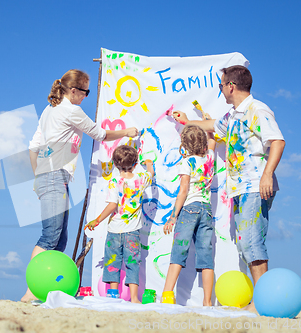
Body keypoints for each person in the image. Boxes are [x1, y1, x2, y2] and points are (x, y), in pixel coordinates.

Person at [169, 65, 285, 310]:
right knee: (245, 243)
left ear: (231, 86)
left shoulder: (257, 109)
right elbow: (213, 126)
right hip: (240, 189)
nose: (221, 89)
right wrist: (188, 121)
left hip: (255, 186)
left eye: (221, 85)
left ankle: (262, 302)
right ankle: (260, 299)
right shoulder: (233, 115)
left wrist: (267, 175)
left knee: (252, 241)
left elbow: (277, 141)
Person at [22, 69, 139, 302]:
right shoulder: (70, 111)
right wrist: (126, 132)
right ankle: (31, 292)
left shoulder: (49, 111)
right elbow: (100, 134)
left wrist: (38, 178)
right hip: (54, 175)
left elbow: (32, 148)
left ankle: (46, 289)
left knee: (60, 238)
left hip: (52, 176)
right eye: (85, 91)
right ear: (74, 91)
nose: (86, 96)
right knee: (50, 236)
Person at [85, 145, 154, 303]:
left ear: (115, 165)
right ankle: (135, 298)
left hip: (115, 230)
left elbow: (112, 205)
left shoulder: (115, 181)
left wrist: (96, 220)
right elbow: (151, 174)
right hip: (133, 232)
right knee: (132, 263)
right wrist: (149, 164)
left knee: (112, 261)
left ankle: (113, 295)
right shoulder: (141, 179)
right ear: (135, 164)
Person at [162, 125, 216, 306]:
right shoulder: (210, 158)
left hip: (189, 209)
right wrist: (207, 121)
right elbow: (213, 141)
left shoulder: (187, 162)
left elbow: (183, 191)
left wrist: (172, 216)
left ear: (185, 143)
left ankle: (167, 296)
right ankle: (207, 302)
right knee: (206, 257)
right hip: (207, 210)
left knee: (179, 252)